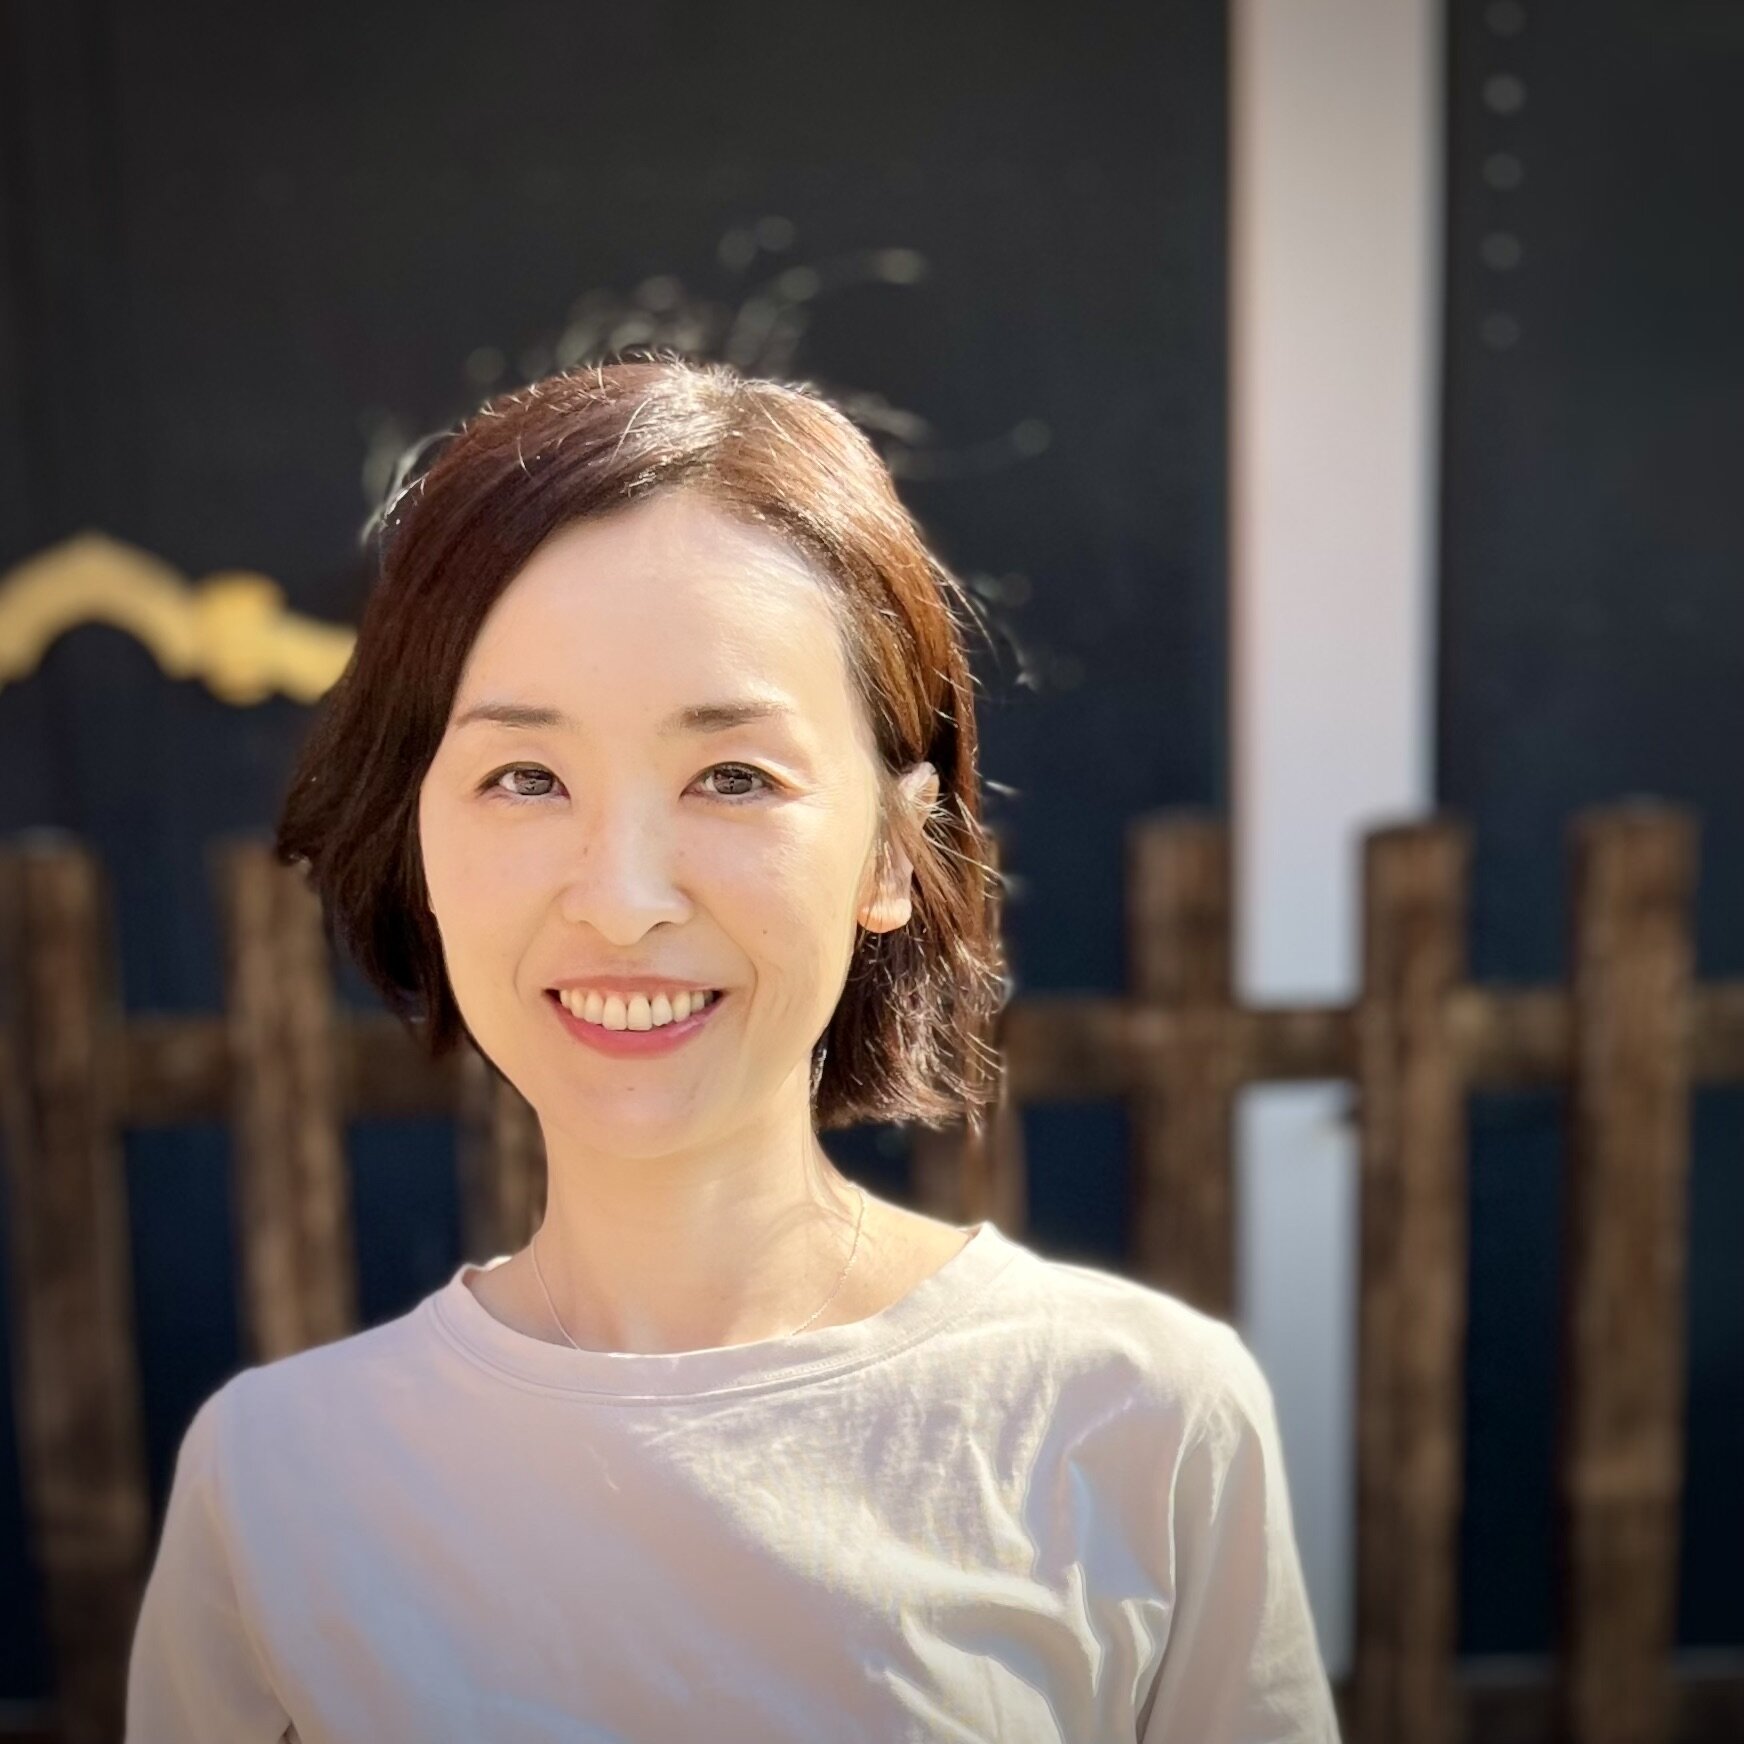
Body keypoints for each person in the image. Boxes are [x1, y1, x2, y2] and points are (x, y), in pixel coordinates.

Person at [124, 356, 1341, 1742]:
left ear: (894, 849)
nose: (623, 897)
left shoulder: (1137, 1419)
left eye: (733, 777)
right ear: (419, 838)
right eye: (526, 777)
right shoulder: (274, 1482)